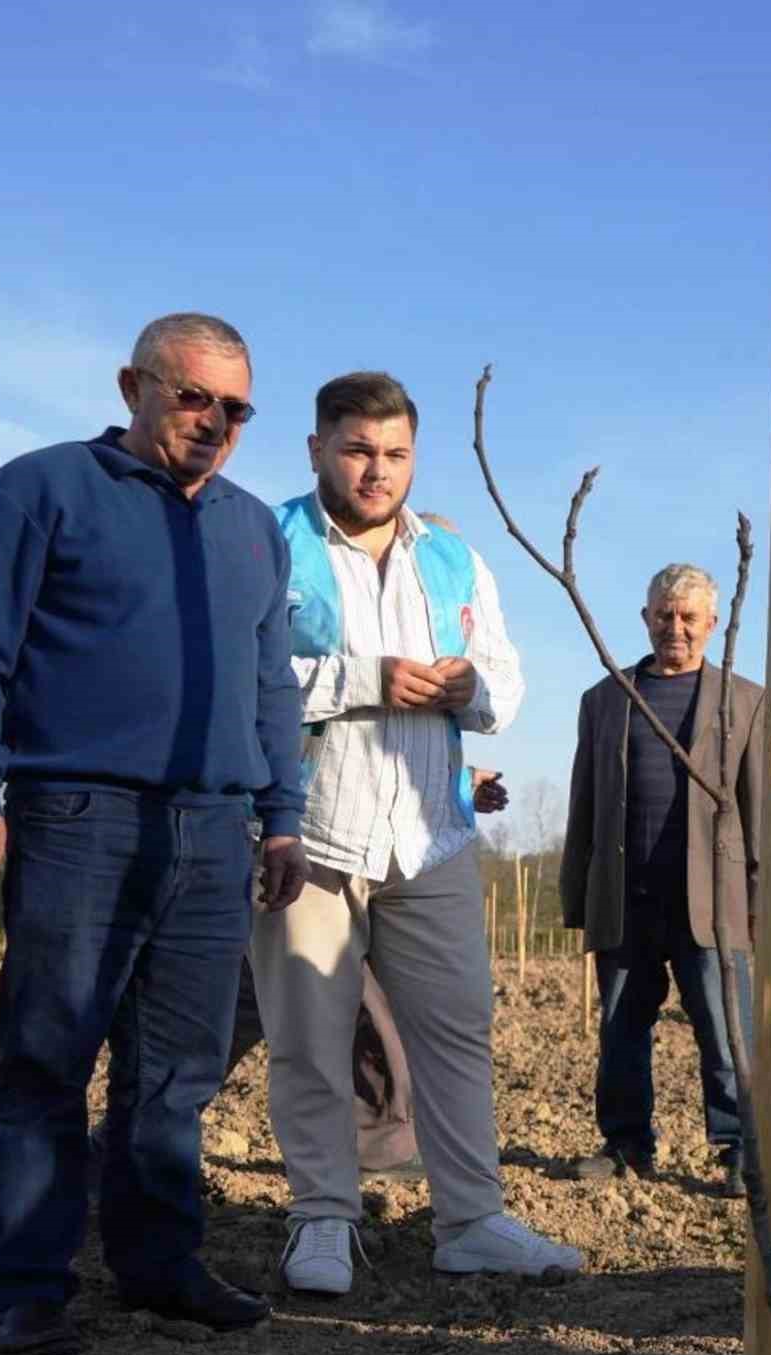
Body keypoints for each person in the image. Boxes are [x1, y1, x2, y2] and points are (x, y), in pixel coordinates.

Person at [0, 313, 309, 1355]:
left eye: (236, 410)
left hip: (216, 829)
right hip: (77, 817)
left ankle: (158, 1265)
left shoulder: (250, 531)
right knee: (49, 1057)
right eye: (194, 399)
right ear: (133, 384)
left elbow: (272, 683)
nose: (216, 424)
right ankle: (28, 1284)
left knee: (176, 1070)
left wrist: (282, 817)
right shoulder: (39, 491)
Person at [249, 371, 582, 1294]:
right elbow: (245, 675)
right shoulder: (267, 543)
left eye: (395, 455)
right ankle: (323, 1218)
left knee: (456, 1031)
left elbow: (505, 685)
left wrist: (471, 690)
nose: (376, 471)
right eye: (357, 450)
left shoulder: (453, 558)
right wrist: (367, 678)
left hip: (431, 834)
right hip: (307, 835)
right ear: (316, 447)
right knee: (309, 1038)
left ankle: (471, 1219)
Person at [558, 563, 765, 1198]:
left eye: (688, 618)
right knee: (622, 1027)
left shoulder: (746, 702)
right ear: (646, 618)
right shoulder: (606, 698)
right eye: (663, 615)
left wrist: (759, 901)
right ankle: (626, 1145)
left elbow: (757, 808)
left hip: (712, 902)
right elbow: (584, 805)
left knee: (727, 1032)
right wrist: (578, 898)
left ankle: (740, 1149)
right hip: (627, 898)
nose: (674, 628)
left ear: (713, 625)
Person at [216, 767, 510, 1183]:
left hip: (317, 834)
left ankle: (148, 1120)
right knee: (324, 998)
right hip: (304, 839)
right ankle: (147, 1122)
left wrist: (453, 781)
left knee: (246, 1002)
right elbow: (333, 737)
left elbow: (372, 747)